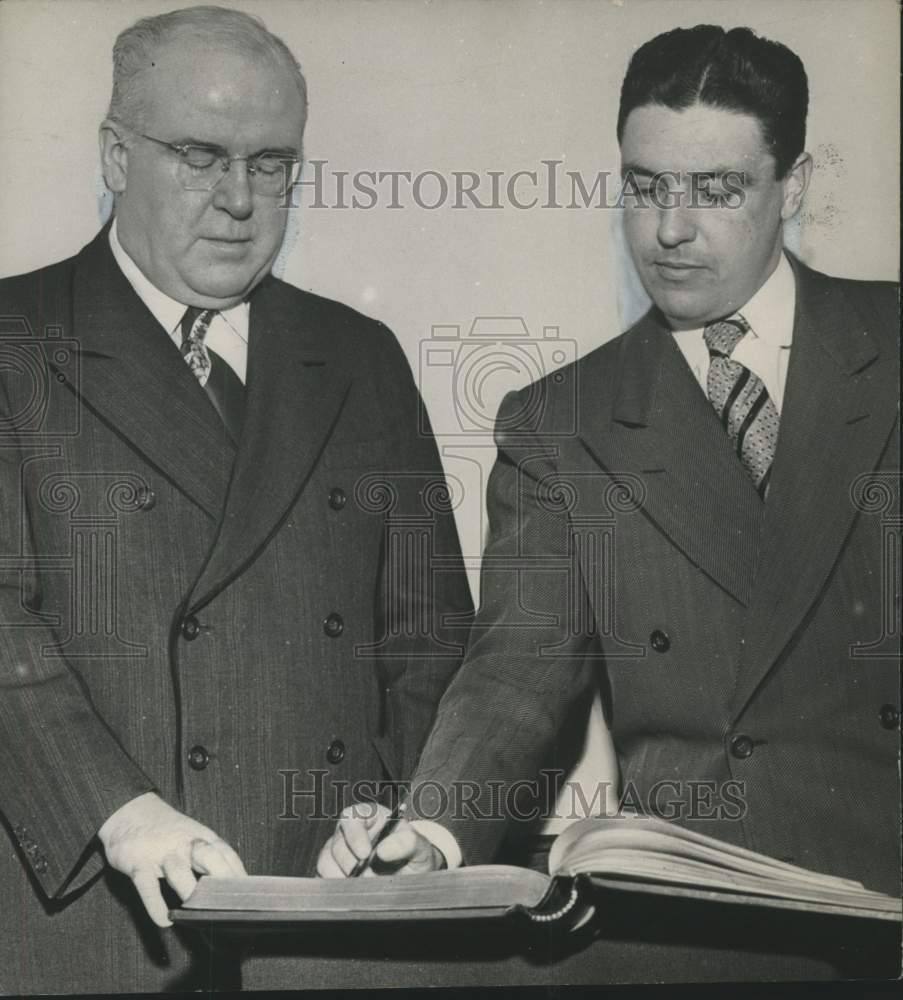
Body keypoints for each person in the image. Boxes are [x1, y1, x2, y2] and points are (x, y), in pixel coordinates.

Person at [320, 24, 900, 907]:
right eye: (645, 186)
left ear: (794, 188)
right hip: (697, 910)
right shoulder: (560, 422)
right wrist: (435, 832)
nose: (670, 229)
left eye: (716, 191)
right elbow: (516, 665)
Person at [0, 5, 470, 993]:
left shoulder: (358, 357)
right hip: (94, 923)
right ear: (117, 155)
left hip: (327, 923)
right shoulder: (15, 340)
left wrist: (395, 814)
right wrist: (120, 812)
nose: (240, 198)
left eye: (272, 163)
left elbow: (431, 639)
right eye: (201, 155)